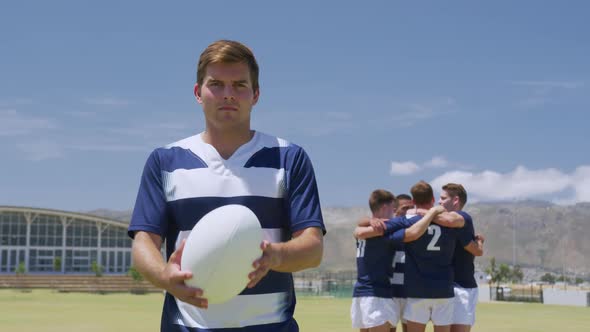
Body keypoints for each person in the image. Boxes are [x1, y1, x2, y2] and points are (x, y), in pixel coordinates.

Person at [128, 40, 325, 332]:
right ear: (198, 92)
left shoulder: (288, 158)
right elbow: (144, 241)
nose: (228, 94)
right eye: (216, 84)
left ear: (255, 94)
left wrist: (274, 256)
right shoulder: (166, 161)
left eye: (239, 85)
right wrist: (163, 275)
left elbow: (313, 248)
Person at [351, 189, 447, 332]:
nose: (395, 212)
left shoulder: (368, 230)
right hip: (377, 294)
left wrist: (365, 222)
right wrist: (431, 213)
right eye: (393, 208)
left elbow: (358, 229)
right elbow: (413, 233)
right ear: (385, 208)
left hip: (363, 293)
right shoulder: (382, 232)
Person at [437, 184, 484, 332]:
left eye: (443, 198)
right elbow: (476, 249)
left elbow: (474, 250)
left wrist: (427, 212)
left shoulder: (463, 217)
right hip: (444, 287)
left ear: (456, 200)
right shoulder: (440, 221)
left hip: (462, 287)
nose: (439, 202)